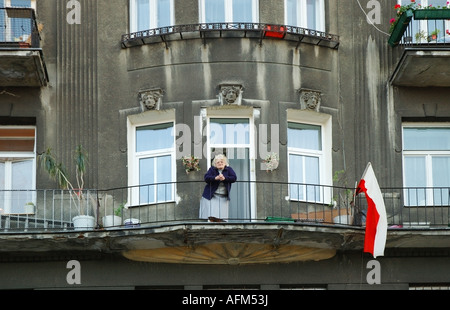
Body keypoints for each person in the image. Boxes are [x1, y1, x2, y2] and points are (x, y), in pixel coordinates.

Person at [199, 154, 237, 222]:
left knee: (221, 215)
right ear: (215, 164)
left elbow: (234, 178)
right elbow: (206, 178)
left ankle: (219, 224)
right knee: (211, 214)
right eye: (218, 162)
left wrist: (225, 178)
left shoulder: (229, 169)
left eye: (222, 162)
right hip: (212, 194)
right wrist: (215, 178)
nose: (220, 163)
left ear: (225, 163)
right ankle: (213, 224)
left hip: (223, 195)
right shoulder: (212, 169)